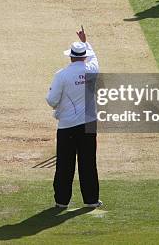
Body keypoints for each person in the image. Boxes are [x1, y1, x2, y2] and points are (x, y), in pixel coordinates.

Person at [45, 27, 102, 209]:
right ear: (84, 56)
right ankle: (91, 200)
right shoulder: (92, 69)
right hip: (88, 124)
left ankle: (62, 202)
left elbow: (51, 100)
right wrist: (85, 42)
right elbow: (94, 58)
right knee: (88, 163)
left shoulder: (62, 75)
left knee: (64, 164)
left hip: (67, 125)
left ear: (70, 56)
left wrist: (59, 106)